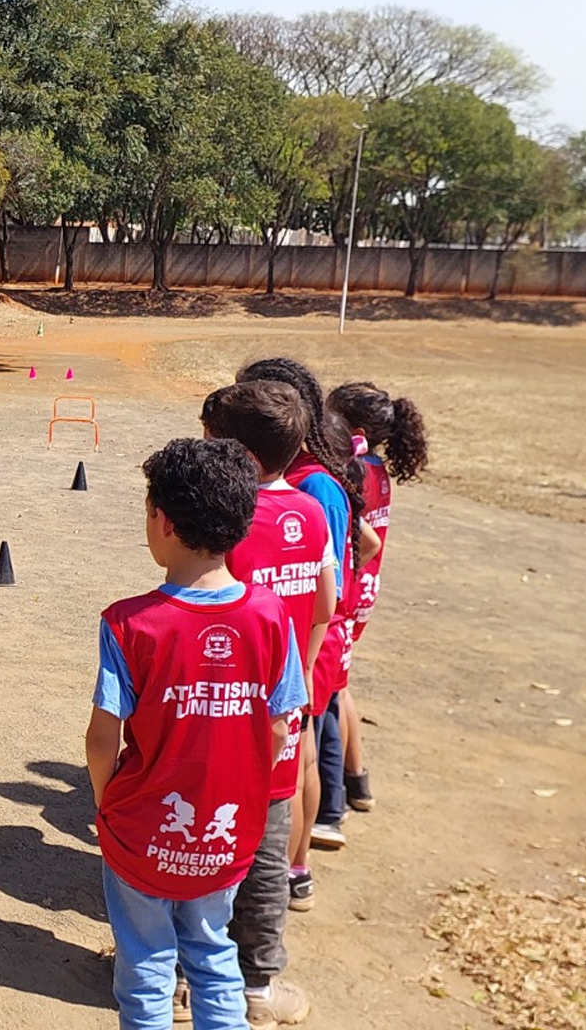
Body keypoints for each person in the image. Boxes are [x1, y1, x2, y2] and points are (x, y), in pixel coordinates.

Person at [88, 438, 305, 1030]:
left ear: (162, 520)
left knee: (145, 966)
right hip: (228, 832)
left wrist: (106, 804)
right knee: (214, 954)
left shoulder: (128, 623)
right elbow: (281, 725)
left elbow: (102, 737)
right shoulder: (271, 616)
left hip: (140, 832)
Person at [201, 381, 337, 1025]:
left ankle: (185, 976)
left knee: (208, 841)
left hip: (223, 708)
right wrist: (301, 678)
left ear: (240, 456)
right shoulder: (311, 511)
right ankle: (258, 984)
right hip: (285, 710)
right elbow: (325, 604)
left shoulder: (227, 517)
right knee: (265, 850)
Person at [235, 358, 364, 859]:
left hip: (305, 652)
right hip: (293, 653)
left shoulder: (313, 488)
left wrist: (306, 662)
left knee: (298, 761)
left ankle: (295, 864)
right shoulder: (296, 480)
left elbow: (328, 589)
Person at [326, 381, 429, 812]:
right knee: (340, 687)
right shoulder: (377, 470)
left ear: (353, 431)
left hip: (350, 591)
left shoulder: (356, 473)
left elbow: (362, 541)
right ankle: (356, 781)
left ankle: (343, 786)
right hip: (366, 588)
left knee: (334, 692)